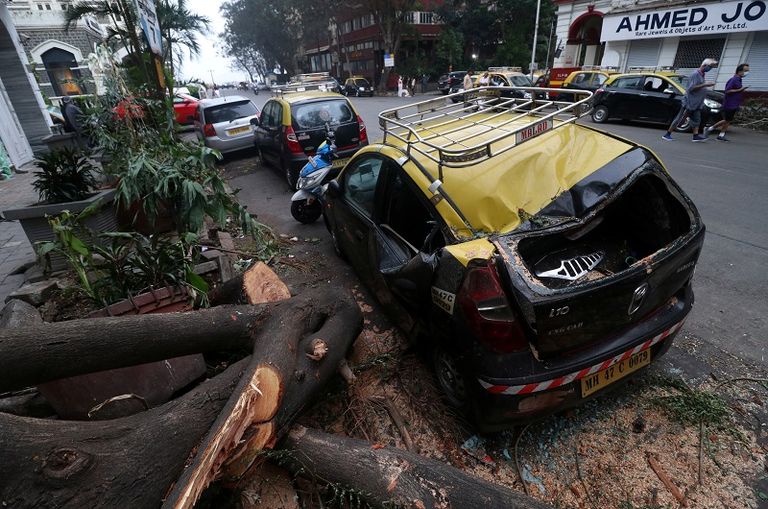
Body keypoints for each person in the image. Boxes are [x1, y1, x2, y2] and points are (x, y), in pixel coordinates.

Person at [662, 58, 717, 142]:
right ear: (704, 65)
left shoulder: (702, 74)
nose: (710, 69)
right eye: (710, 67)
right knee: (680, 118)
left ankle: (695, 136)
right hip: (689, 102)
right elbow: (691, 88)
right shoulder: (695, 74)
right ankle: (667, 134)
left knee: (697, 119)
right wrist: (705, 84)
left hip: (696, 102)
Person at [706, 63, 750, 141]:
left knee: (728, 120)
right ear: (740, 71)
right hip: (729, 104)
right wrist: (740, 89)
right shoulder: (734, 79)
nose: (747, 73)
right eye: (746, 71)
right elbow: (728, 91)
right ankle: (710, 129)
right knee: (727, 120)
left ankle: (720, 135)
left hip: (734, 104)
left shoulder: (739, 79)